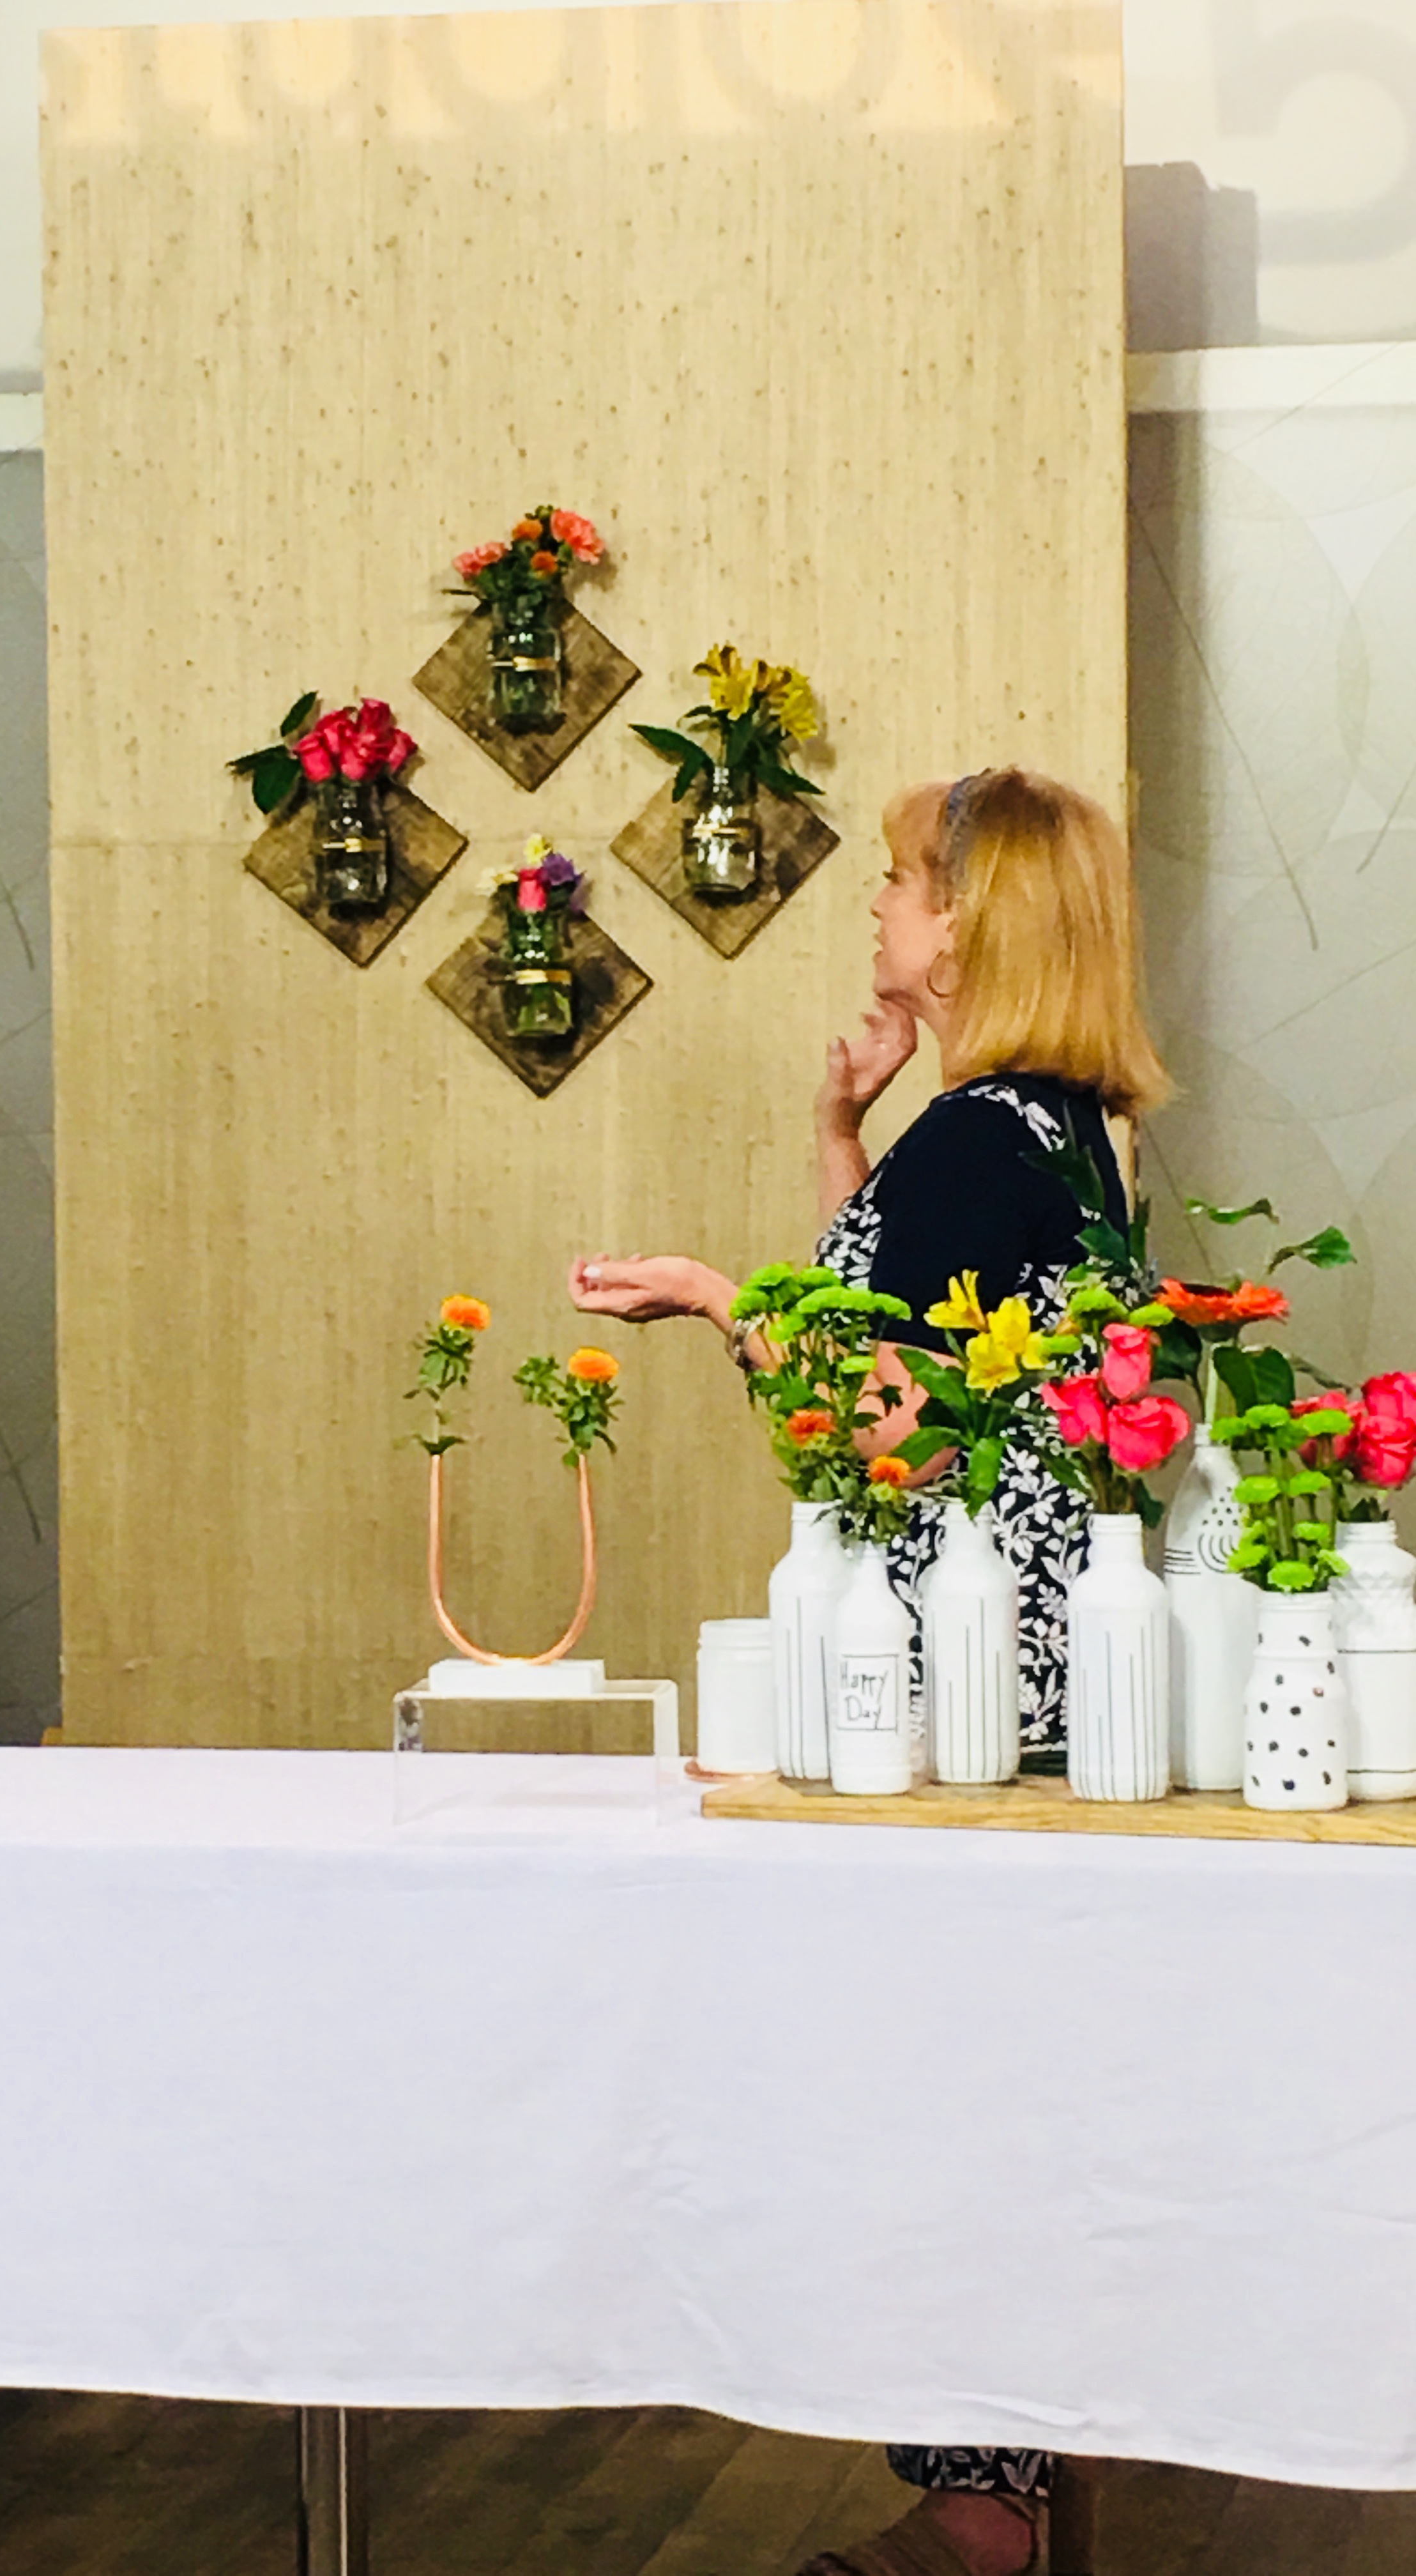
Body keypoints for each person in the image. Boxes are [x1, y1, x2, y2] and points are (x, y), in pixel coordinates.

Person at [570, 767, 1168, 2576]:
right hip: (1036, 1653)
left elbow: (862, 1420)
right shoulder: (1045, 1129)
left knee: (946, 2075)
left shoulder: (981, 1139)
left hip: (970, 1673)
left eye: (903, 882)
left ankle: (980, 2506)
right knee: (991, 2061)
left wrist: (705, 1293)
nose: (881, 909)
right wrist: (846, 1131)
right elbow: (897, 1330)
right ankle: (994, 2484)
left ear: (969, 923)